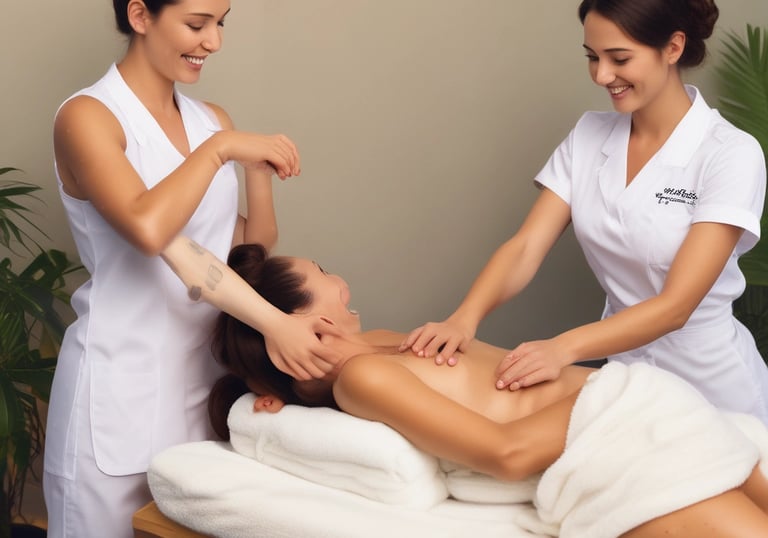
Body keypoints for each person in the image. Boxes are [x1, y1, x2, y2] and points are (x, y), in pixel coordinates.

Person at [208, 242, 768, 537]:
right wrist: (612, 402)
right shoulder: (364, 377)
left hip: (645, 409)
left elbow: (243, 294)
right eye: (324, 275)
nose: (342, 282)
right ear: (314, 324)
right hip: (619, 439)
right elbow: (506, 454)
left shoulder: (376, 345)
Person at [45, 1, 340, 536]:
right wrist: (221, 149)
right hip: (119, 385)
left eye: (220, 24)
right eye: (197, 24)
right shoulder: (87, 117)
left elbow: (246, 246)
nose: (213, 42)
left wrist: (255, 170)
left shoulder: (210, 120)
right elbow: (150, 229)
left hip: (204, 384)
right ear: (140, 15)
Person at [399, 0, 768, 423]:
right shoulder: (590, 135)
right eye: (593, 57)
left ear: (673, 47)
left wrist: (562, 349)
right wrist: (463, 320)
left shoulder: (730, 153)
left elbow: (675, 306)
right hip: (624, 380)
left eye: (619, 58)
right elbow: (525, 248)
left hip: (713, 386)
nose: (602, 75)